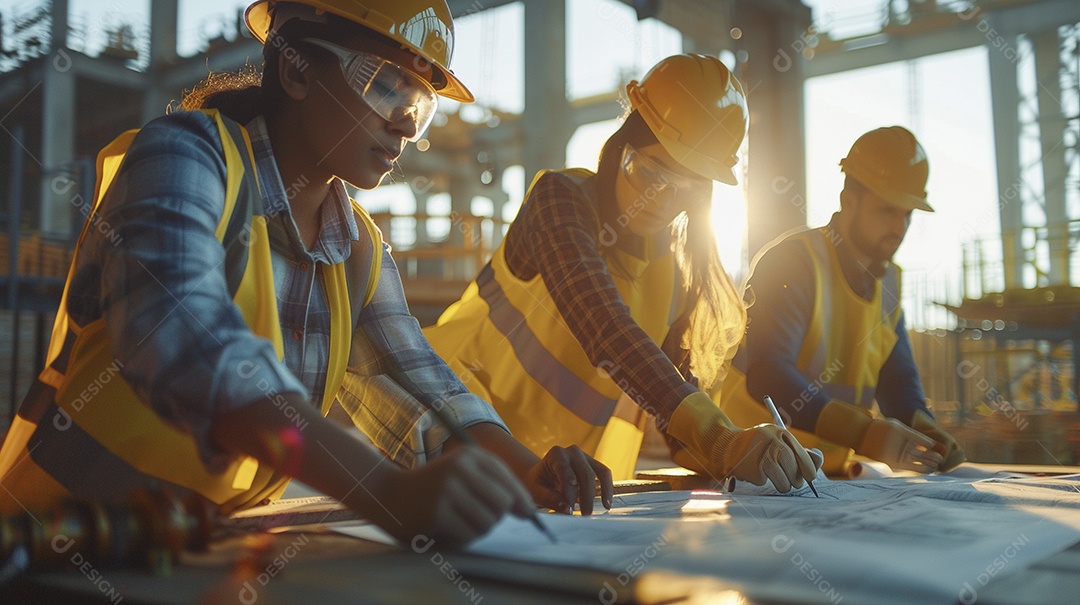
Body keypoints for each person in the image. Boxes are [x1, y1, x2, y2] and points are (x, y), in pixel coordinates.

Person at [0, 0, 612, 545]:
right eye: (383, 86)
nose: (403, 123)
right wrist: (387, 493)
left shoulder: (356, 248)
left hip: (195, 549)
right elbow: (181, 338)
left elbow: (420, 384)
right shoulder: (186, 154)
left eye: (419, 106)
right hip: (53, 545)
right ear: (295, 69)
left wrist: (525, 469)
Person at [355, 53, 820, 492]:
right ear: (620, 146)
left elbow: (679, 429)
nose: (660, 198)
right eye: (649, 171)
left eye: (686, 187)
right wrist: (719, 436)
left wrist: (742, 448)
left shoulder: (680, 276)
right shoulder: (559, 201)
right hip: (450, 435)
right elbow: (604, 326)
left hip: (560, 482)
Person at [717, 126, 966, 476]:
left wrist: (923, 426)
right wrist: (863, 432)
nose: (900, 226)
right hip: (751, 466)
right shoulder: (793, 262)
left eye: (907, 214)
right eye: (887, 211)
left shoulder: (888, 281)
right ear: (849, 201)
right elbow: (769, 375)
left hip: (824, 473)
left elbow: (896, 382)